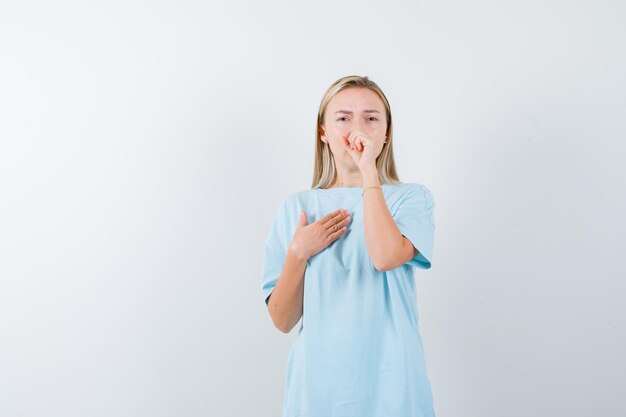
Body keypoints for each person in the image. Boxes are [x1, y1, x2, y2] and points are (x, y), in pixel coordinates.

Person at [261, 75, 437, 417]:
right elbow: (283, 320)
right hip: (317, 391)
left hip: (394, 387)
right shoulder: (295, 207)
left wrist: (369, 173)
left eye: (371, 118)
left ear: (385, 133)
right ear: (323, 132)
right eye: (343, 118)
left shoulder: (412, 199)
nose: (358, 128)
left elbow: (385, 256)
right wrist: (299, 253)